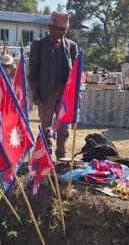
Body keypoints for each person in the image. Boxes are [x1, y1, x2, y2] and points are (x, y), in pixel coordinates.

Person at [28, 12, 78, 159]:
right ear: (50, 27)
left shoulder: (71, 46)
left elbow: (75, 71)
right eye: (58, 30)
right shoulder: (38, 44)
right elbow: (33, 71)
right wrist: (34, 91)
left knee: (64, 128)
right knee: (46, 128)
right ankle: (45, 157)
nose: (61, 33)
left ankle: (61, 156)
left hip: (65, 94)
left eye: (64, 31)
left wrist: (74, 91)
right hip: (46, 93)